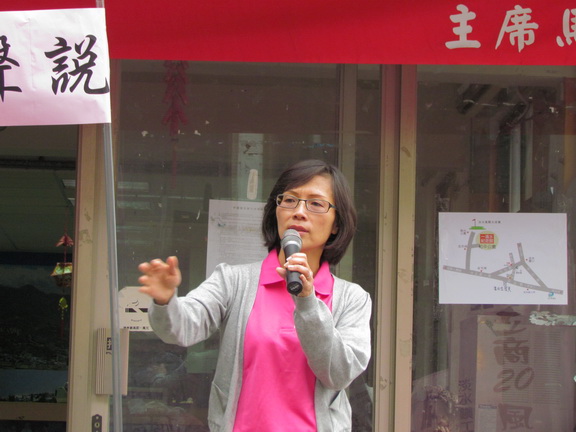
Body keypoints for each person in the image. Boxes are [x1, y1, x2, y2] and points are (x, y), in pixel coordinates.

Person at [138, 159, 372, 432]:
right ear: (276, 211)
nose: (299, 212)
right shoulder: (233, 281)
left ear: (336, 224)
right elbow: (182, 328)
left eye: (316, 203)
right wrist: (166, 301)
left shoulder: (352, 298)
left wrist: (308, 302)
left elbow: (340, 373)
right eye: (289, 200)